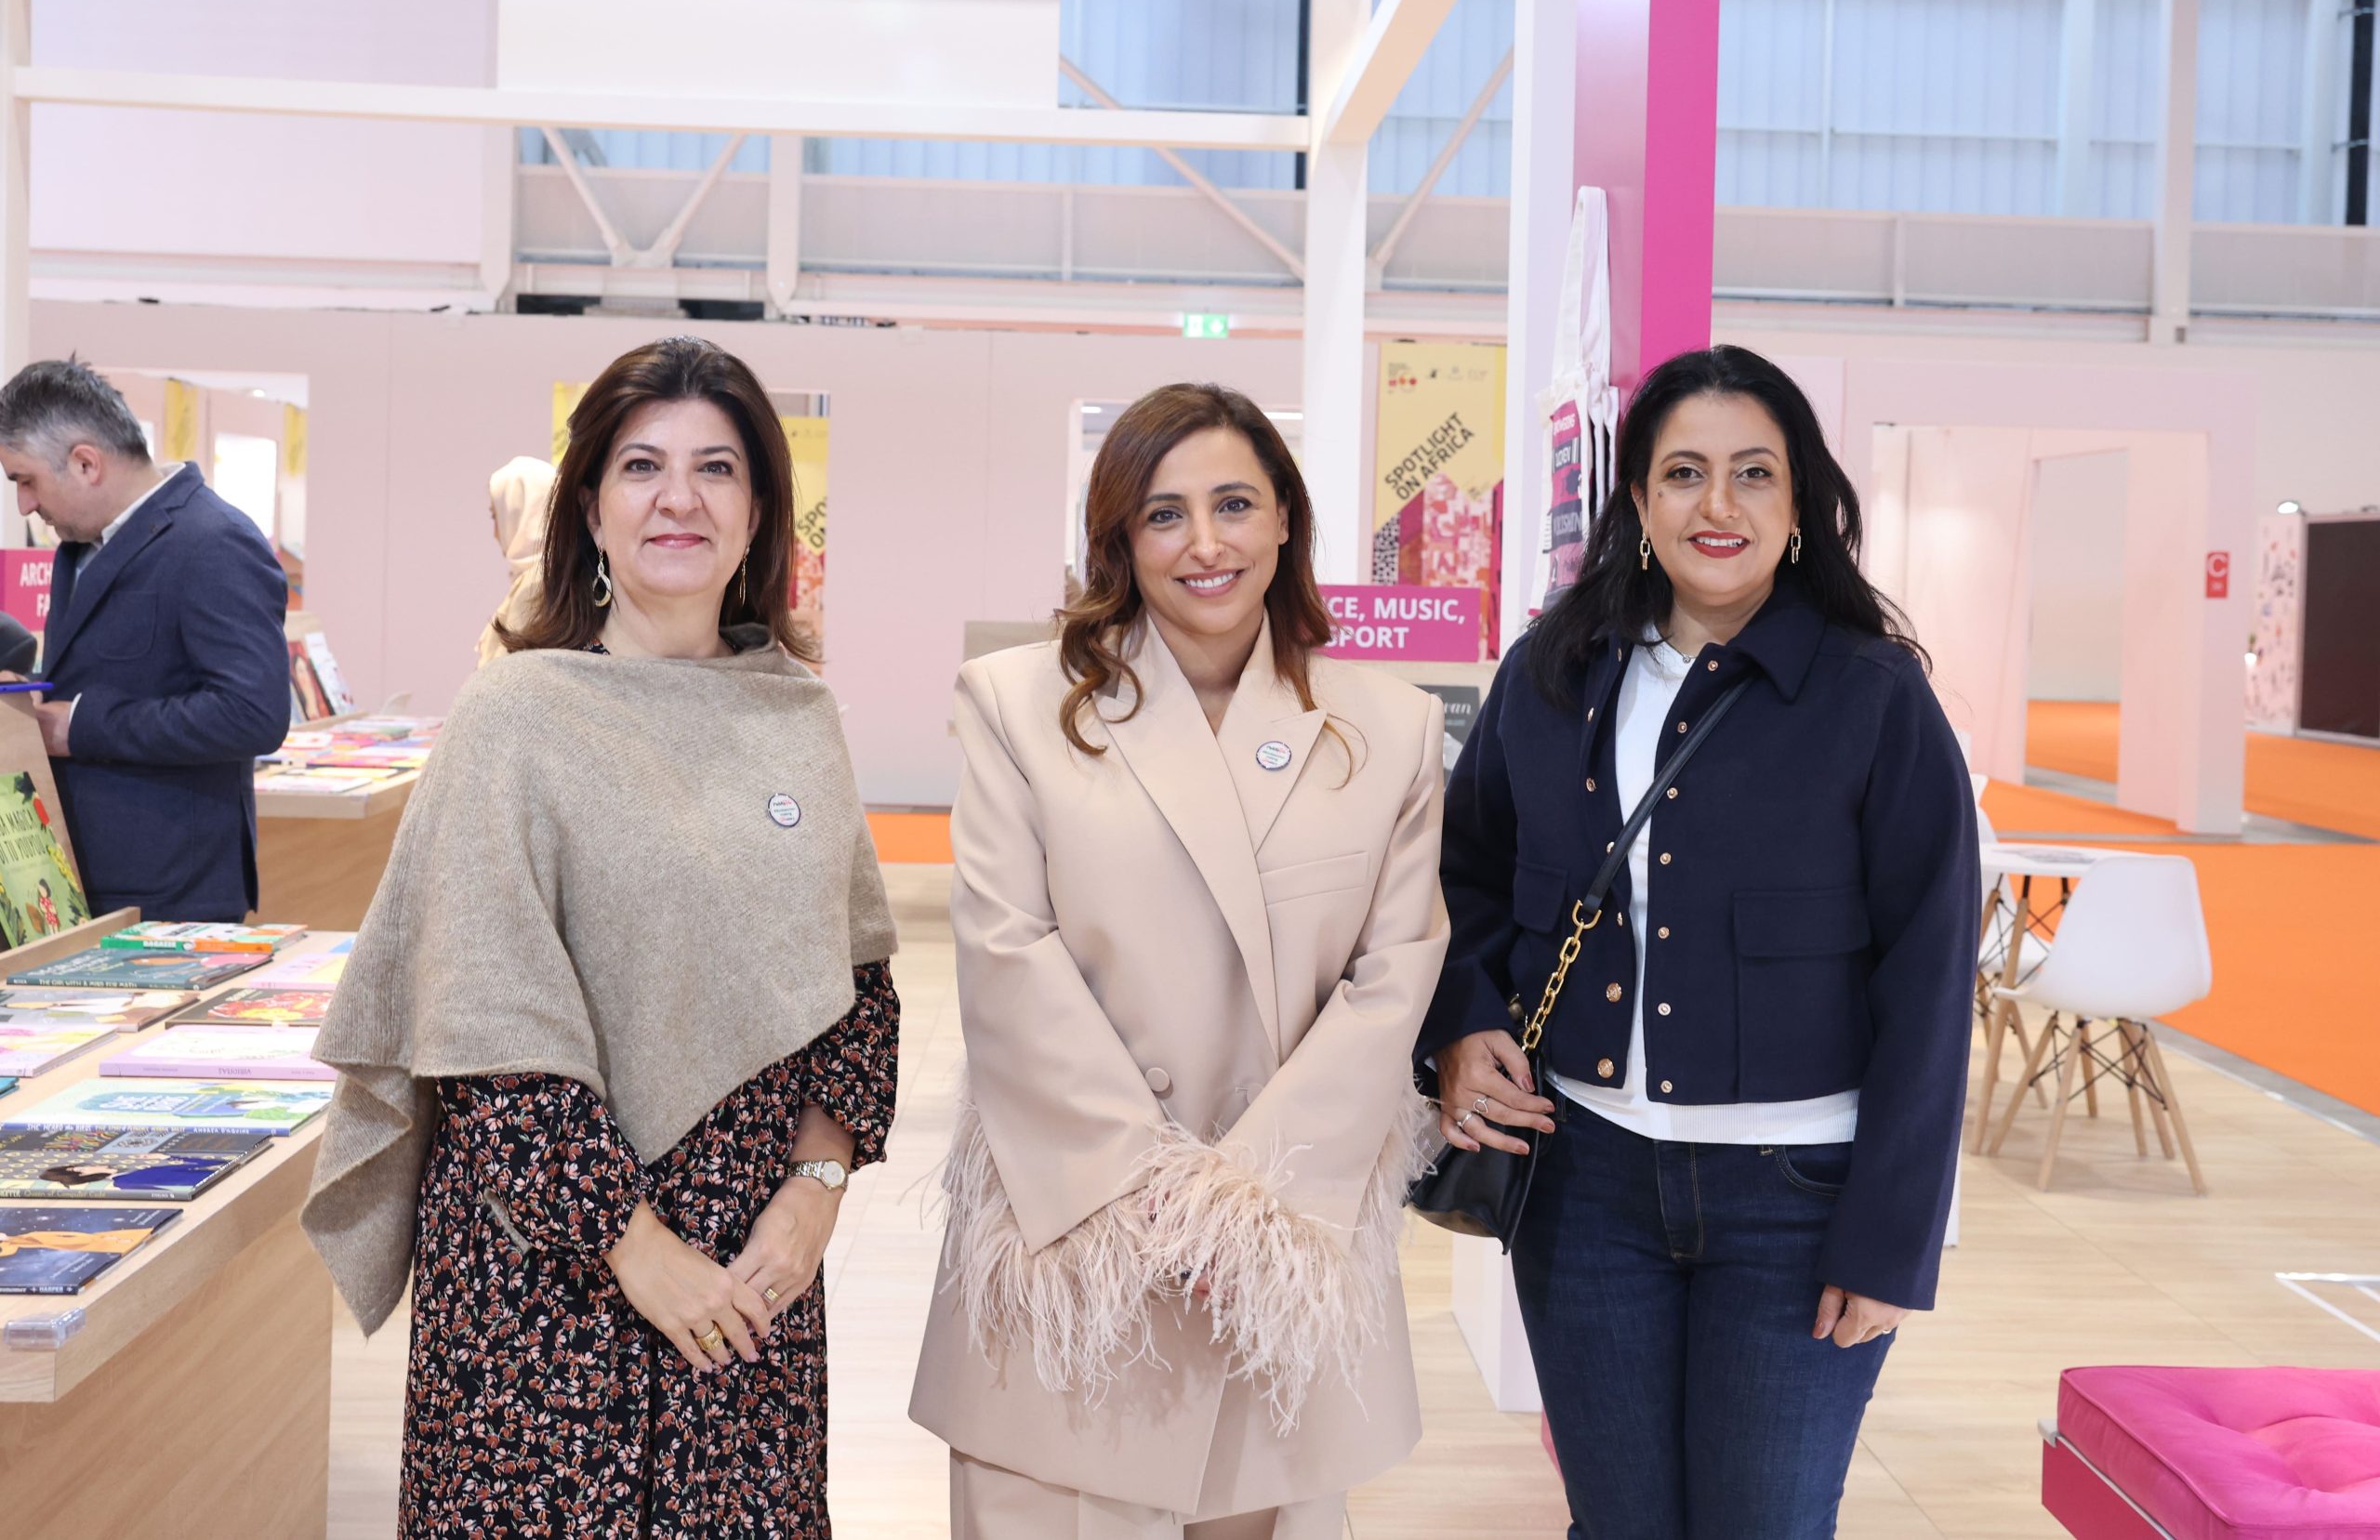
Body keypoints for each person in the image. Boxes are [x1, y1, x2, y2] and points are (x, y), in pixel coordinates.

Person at [302, 336, 900, 1540]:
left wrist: (816, 1191)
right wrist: (632, 1247)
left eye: (717, 468)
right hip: (545, 1277)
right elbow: (484, 1028)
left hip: (751, 1269)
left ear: (759, 514)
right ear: (590, 507)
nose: (680, 497)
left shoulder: (796, 713)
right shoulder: (514, 718)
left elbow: (859, 984)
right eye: (641, 466)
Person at [1420, 346, 1978, 1540]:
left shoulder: (1875, 697)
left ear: (1800, 502)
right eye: (1682, 473)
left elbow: (1931, 981)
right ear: (1636, 498)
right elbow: (1459, 879)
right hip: (1583, 1185)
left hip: (1798, 1201)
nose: (1716, 505)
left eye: (1752, 473)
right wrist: (1463, 1025)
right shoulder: (1550, 675)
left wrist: (1890, 1240)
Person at [910, 383, 1448, 1539]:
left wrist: (1241, 1205)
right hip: (1076, 1236)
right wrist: (1144, 1189)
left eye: (1234, 505)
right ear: (1119, 537)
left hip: (1274, 1247)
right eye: (1164, 514)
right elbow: (1006, 950)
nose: (1205, 543)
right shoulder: (1018, 703)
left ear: (1285, 518)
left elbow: (1394, 973)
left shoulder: (1388, 727)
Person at [0, 359, 289, 922]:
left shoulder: (214, 542)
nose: (24, 505)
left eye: (25, 480)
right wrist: (29, 696)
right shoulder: (77, 548)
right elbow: (110, 674)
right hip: (82, 881)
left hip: (171, 895)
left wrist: (79, 726)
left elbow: (253, 714)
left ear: (86, 463)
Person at [477, 454, 558, 666]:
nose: (495, 533)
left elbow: (508, 674)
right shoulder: (545, 578)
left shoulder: (538, 584)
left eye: (495, 517)